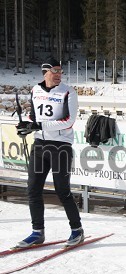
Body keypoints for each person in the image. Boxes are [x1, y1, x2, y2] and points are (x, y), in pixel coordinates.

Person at [16, 58, 84, 248]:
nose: (58, 75)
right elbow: (33, 116)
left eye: (60, 71)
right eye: (54, 71)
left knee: (62, 190)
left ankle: (77, 229)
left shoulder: (68, 92)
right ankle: (37, 231)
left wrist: (38, 125)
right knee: (33, 189)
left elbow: (68, 121)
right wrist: (25, 126)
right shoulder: (35, 90)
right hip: (40, 144)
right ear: (45, 72)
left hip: (60, 145)